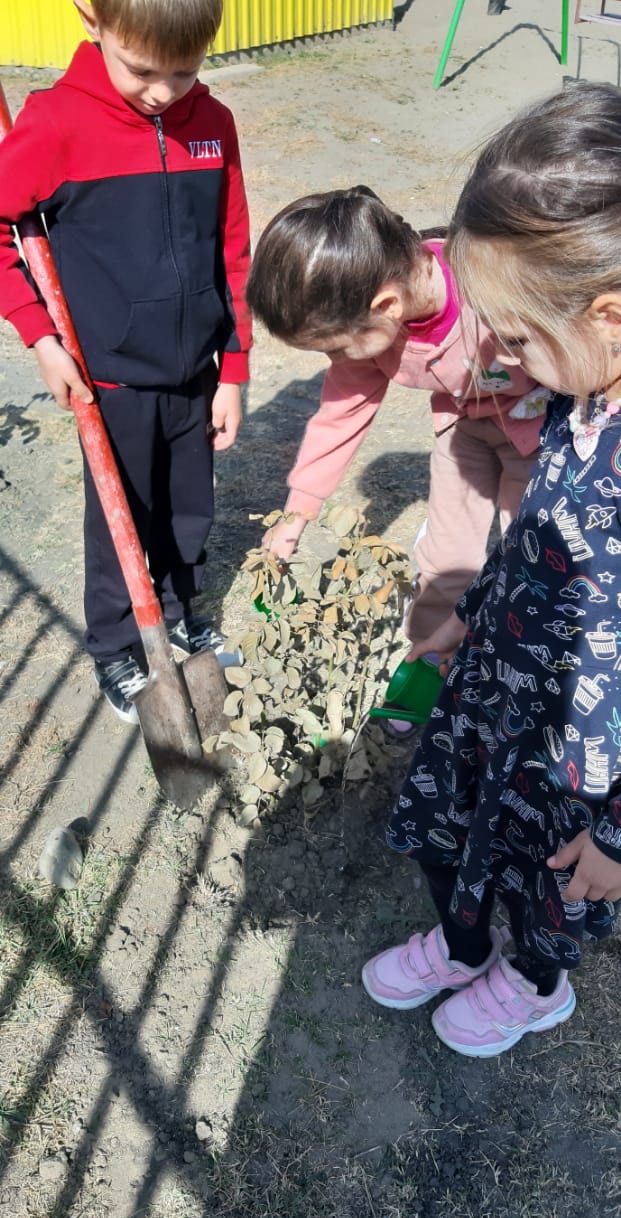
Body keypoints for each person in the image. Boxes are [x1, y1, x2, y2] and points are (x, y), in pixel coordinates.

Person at [362, 80, 621, 1057]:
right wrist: (474, 609)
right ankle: (466, 942)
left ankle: (533, 980)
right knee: (454, 824)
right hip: (497, 694)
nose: (502, 358)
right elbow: (532, 534)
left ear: (608, 314)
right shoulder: (576, 398)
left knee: (547, 879)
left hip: (582, 760)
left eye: (516, 336)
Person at [0, 0, 251, 722]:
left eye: (185, 71)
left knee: (189, 507)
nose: (163, 92)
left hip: (196, 371)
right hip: (110, 379)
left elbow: (233, 251)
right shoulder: (56, 124)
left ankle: (178, 613)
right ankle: (115, 645)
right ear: (93, 20)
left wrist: (233, 369)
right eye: (141, 70)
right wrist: (40, 337)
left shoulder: (214, 124)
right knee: (120, 521)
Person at [245, 187, 549, 656]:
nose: (335, 361)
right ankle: (429, 661)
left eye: (335, 348)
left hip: (542, 433)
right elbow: (340, 415)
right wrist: (295, 515)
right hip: (463, 426)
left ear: (386, 307)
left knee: (528, 555)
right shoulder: (373, 314)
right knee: (445, 557)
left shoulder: (492, 291)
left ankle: (521, 666)